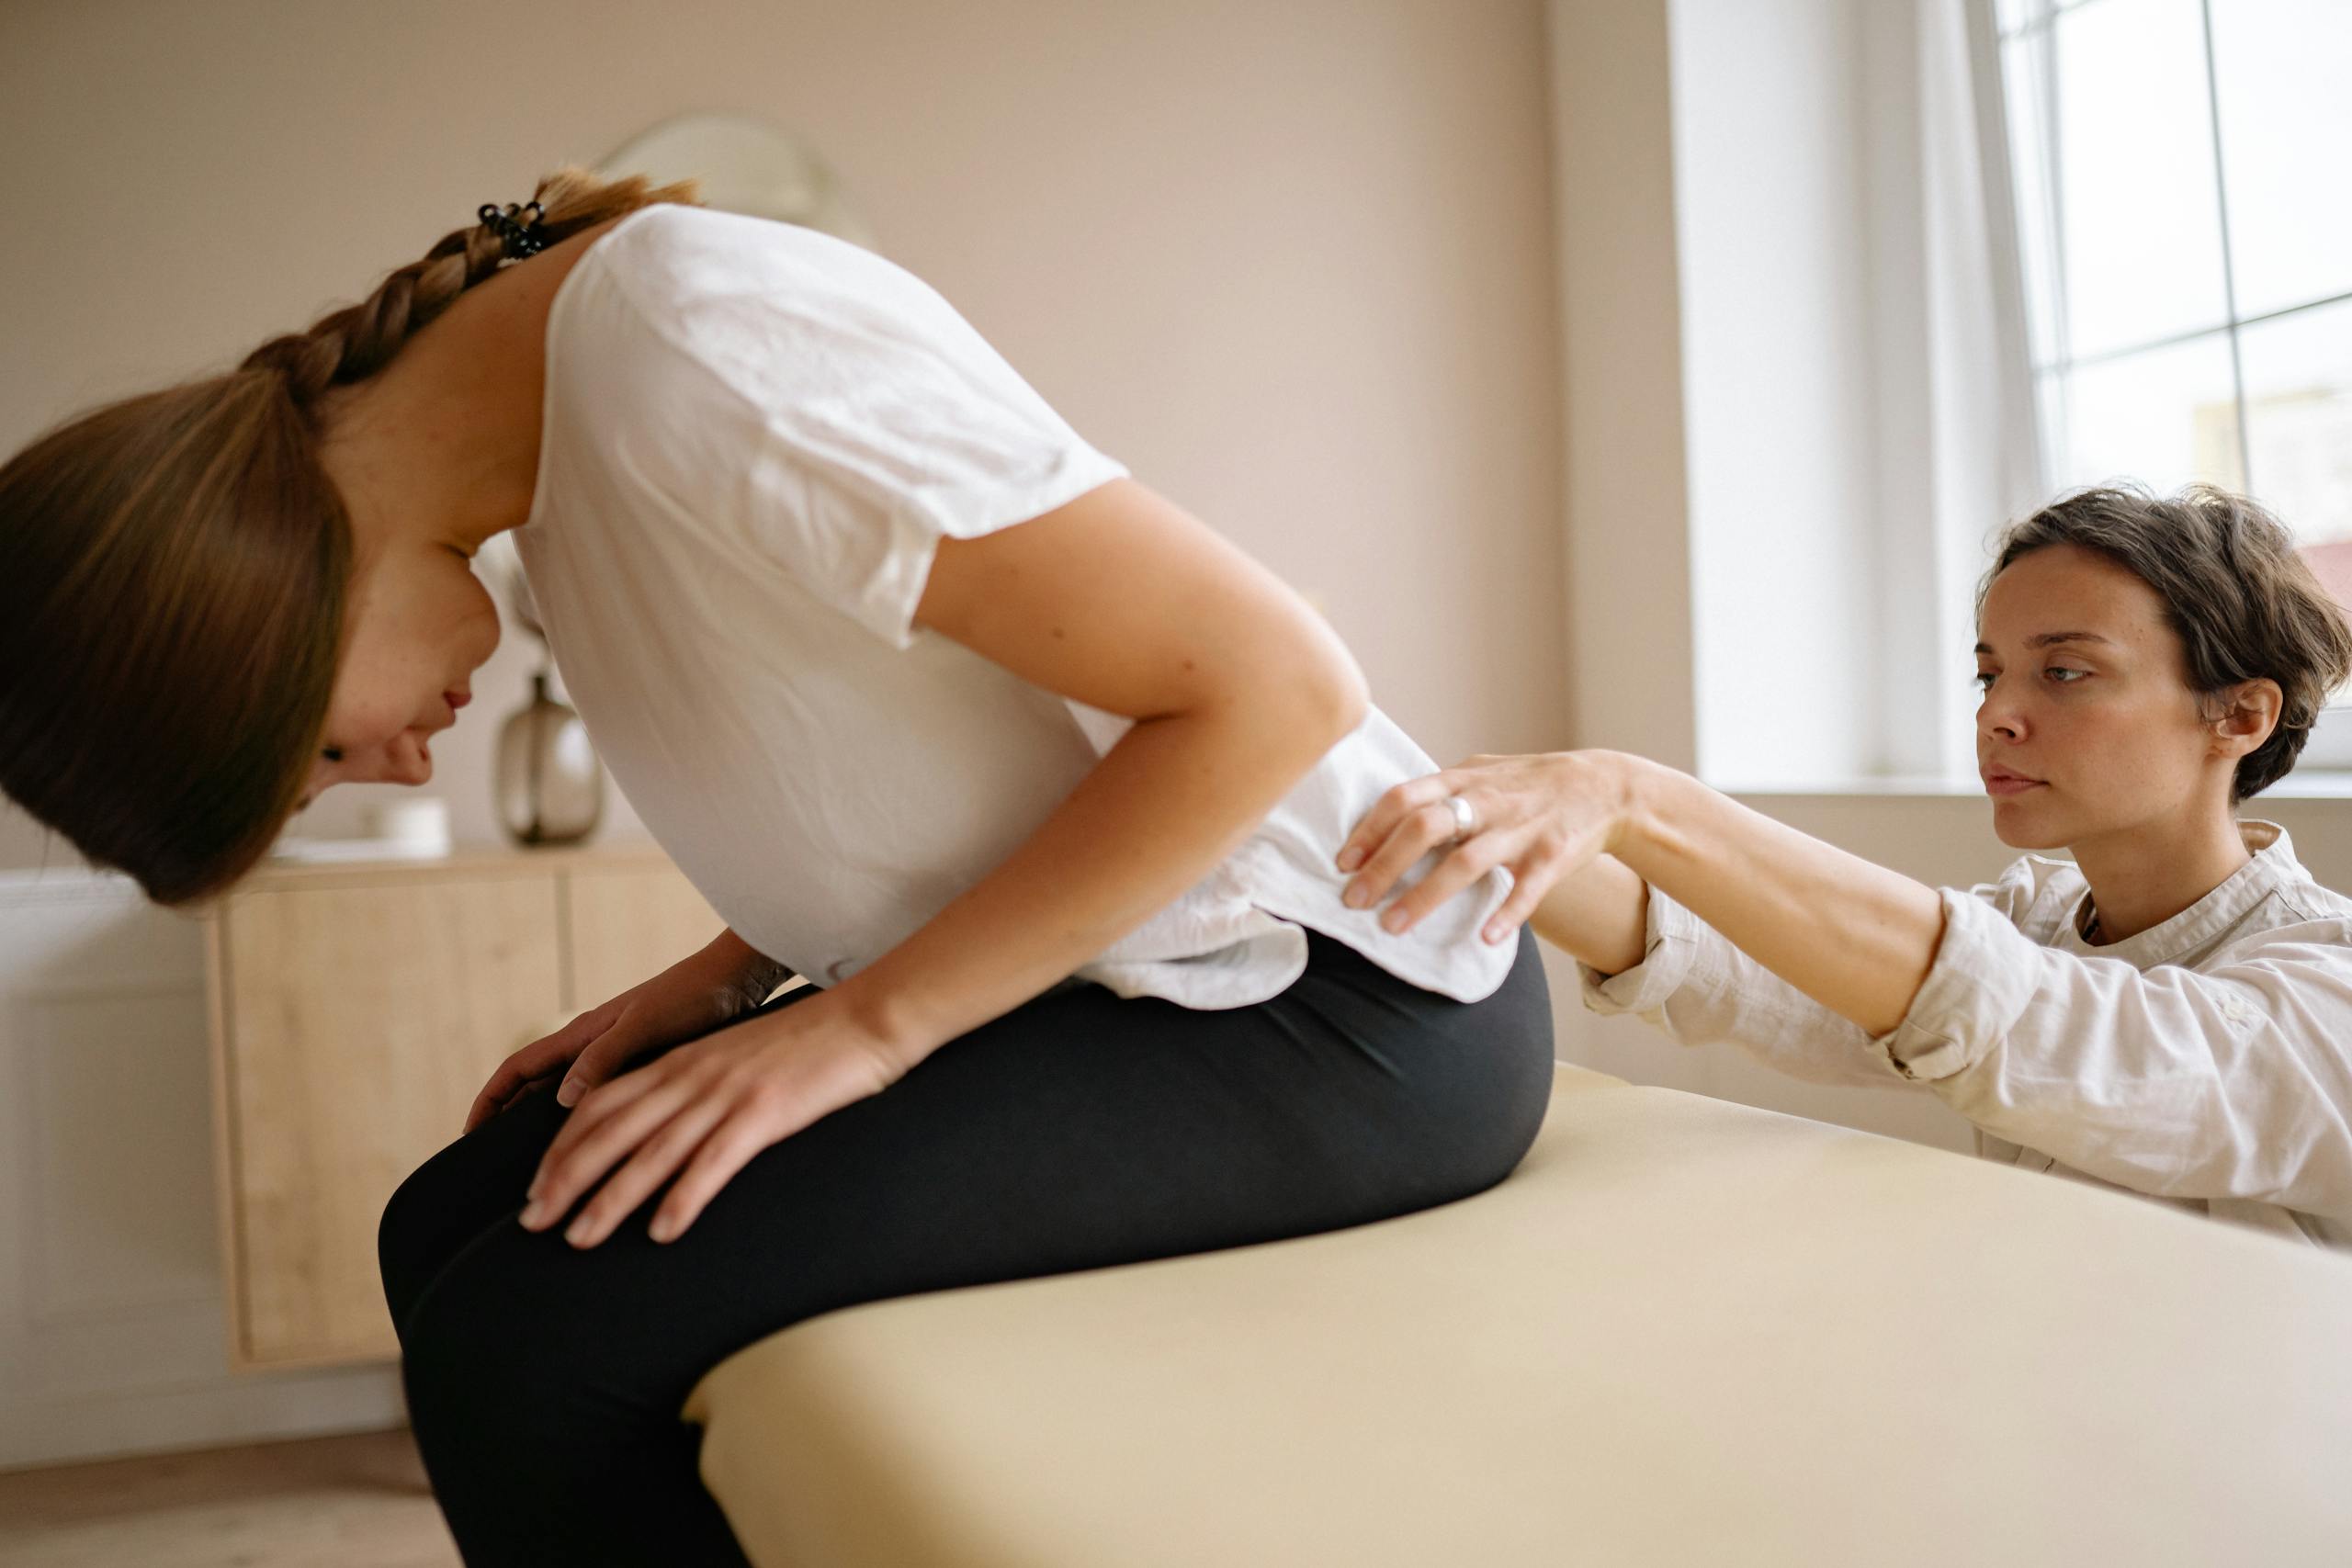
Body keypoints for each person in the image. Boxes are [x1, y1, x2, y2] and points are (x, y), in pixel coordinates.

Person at [0, 169, 1555, 1565]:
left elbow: (1278, 686)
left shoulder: (692, 350)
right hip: (1139, 979)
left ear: (246, 626)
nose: (397, 768)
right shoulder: (555, 449)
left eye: (321, 753)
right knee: (441, 1225)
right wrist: (727, 976)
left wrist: (862, 1026)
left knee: (528, 1347)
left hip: (1345, 997)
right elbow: (908, 765)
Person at [1340, 483, 2352, 1249]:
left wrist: (1638, 798)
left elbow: (2073, 1037)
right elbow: (1752, 971)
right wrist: (1432, 810)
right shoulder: (2035, 917)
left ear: (2238, 714)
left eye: (2066, 671)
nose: (1996, 713)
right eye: (1989, 671)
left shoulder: (2324, 980)